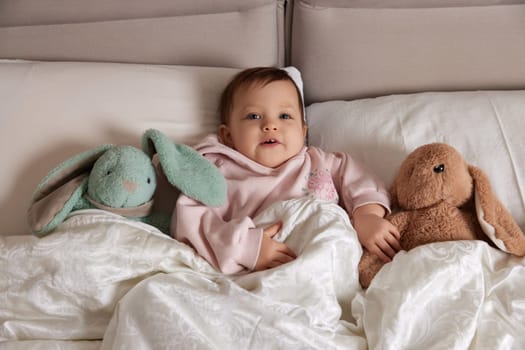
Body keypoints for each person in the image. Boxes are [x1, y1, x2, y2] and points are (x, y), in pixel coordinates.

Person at [172, 66, 400, 274]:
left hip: (324, 262)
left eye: (284, 116)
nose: (270, 125)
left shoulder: (318, 161)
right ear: (228, 135)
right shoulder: (219, 171)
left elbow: (360, 178)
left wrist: (367, 216)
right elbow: (192, 221)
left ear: (302, 132)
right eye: (254, 116)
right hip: (261, 271)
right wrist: (248, 247)